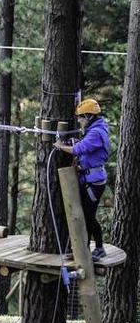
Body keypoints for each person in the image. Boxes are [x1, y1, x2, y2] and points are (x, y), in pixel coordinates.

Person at [54, 98, 109, 262]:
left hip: (94, 182)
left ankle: (98, 248)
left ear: (88, 116)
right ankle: (83, 249)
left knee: (88, 217)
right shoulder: (96, 129)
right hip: (89, 178)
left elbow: (79, 149)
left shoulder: (96, 133)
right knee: (85, 215)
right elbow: (86, 148)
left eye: (81, 117)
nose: (79, 120)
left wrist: (60, 146)